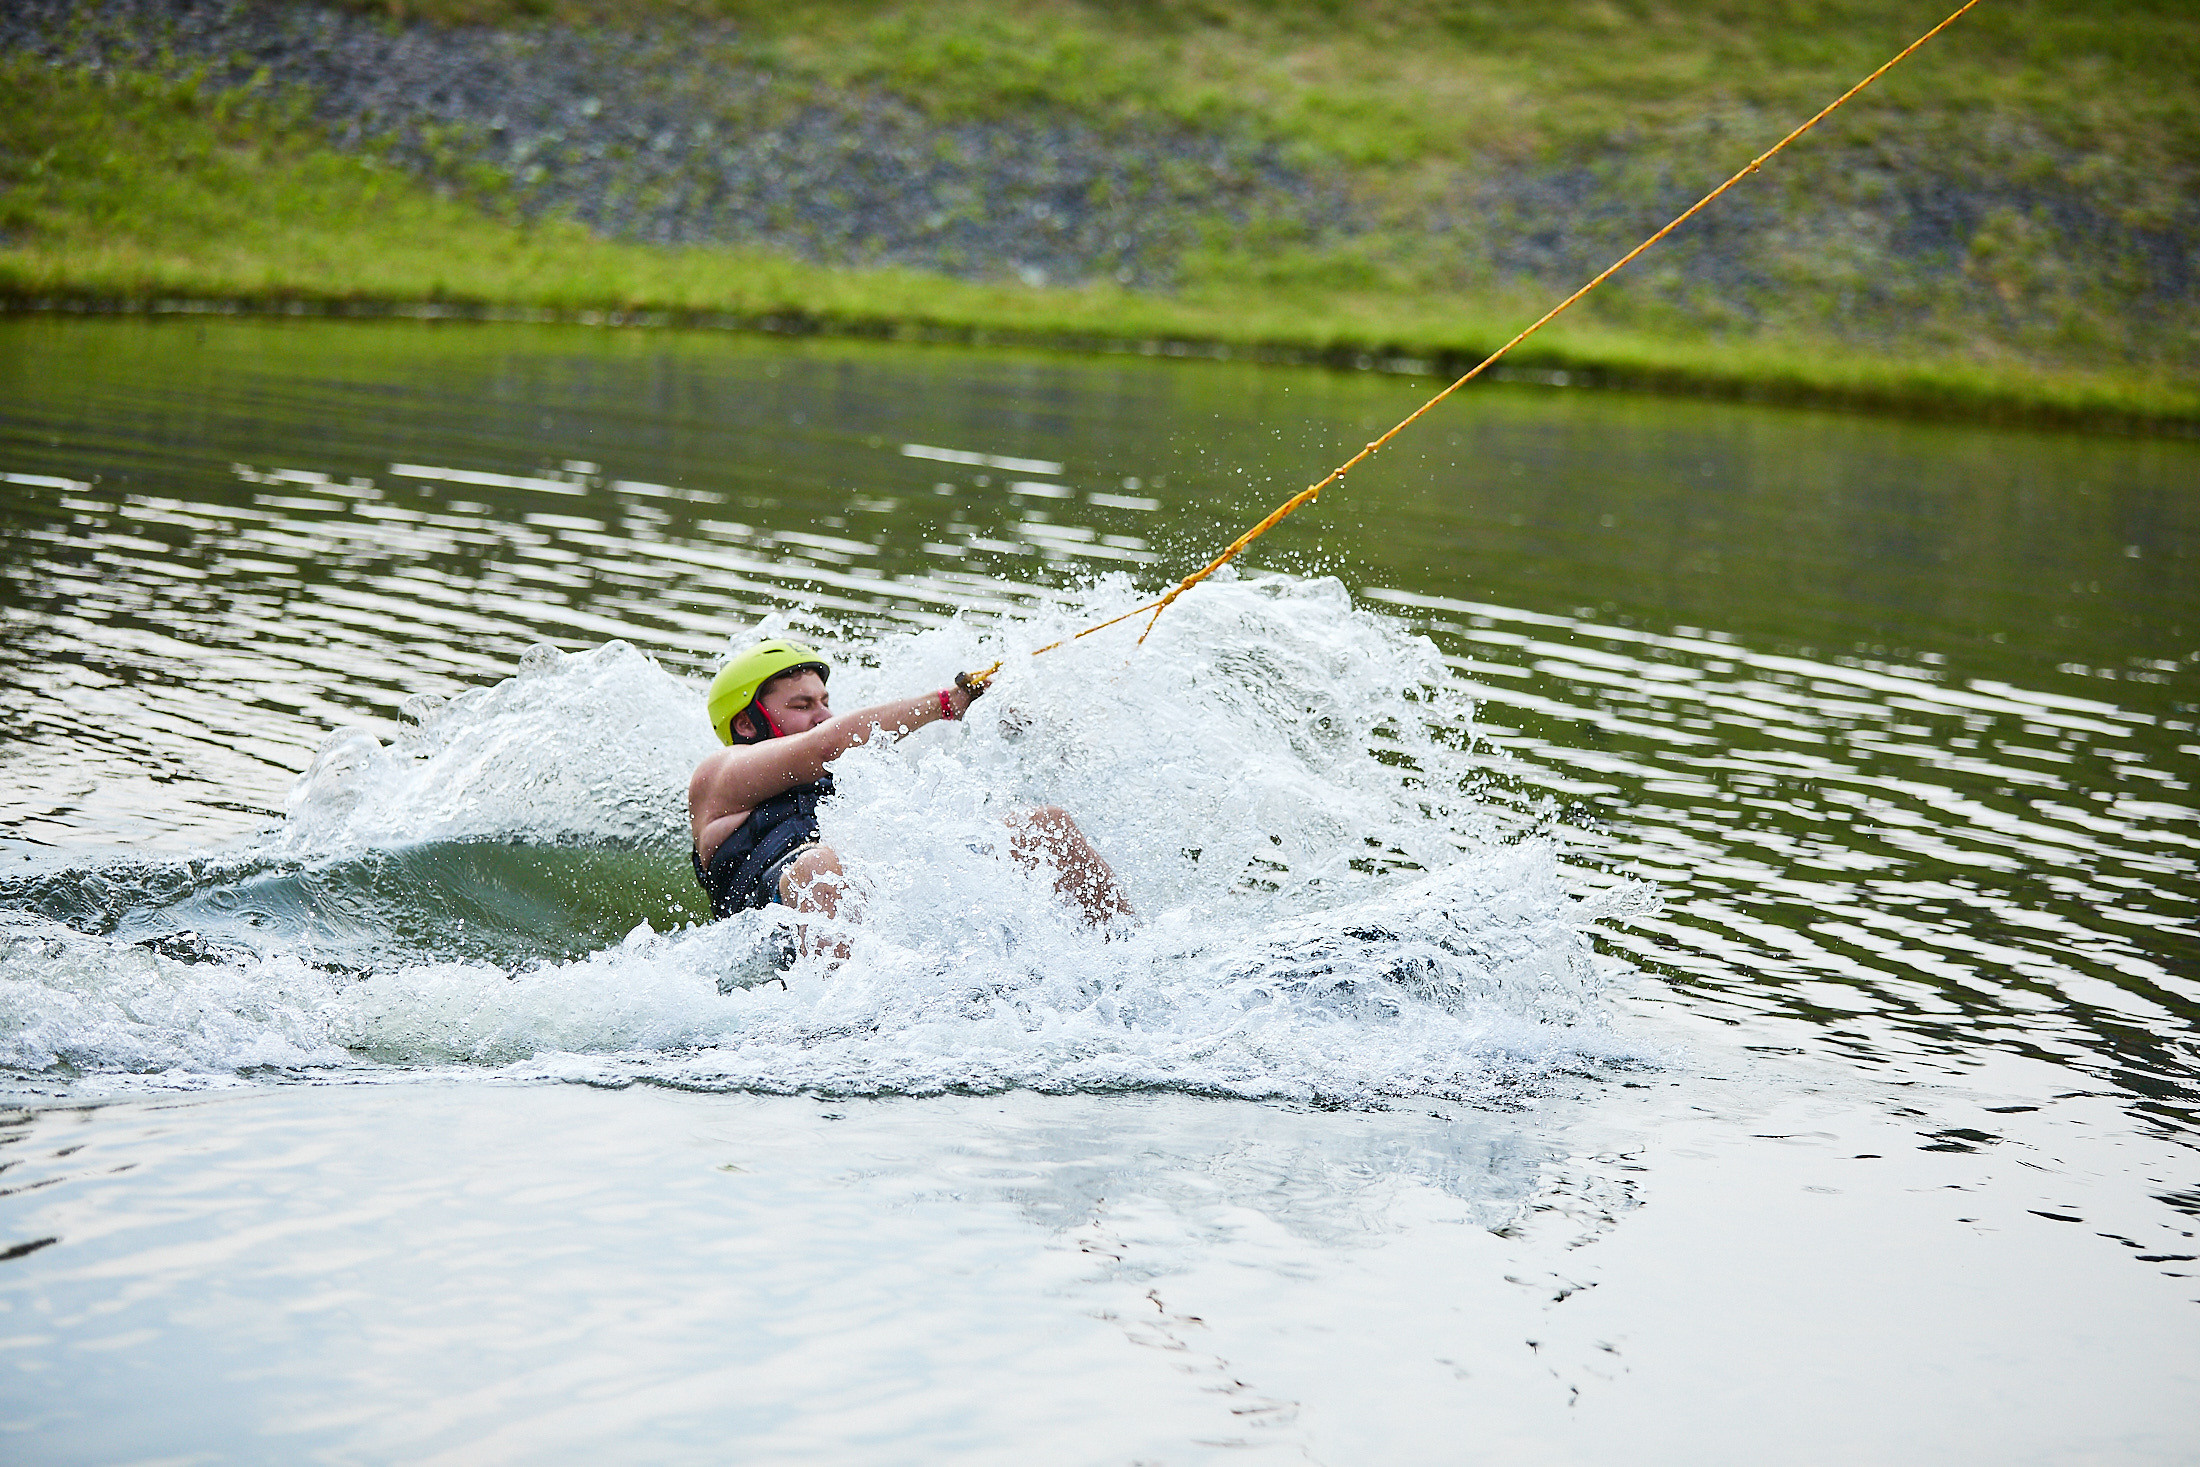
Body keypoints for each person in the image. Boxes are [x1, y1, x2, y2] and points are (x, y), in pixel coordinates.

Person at [688, 640, 1132, 948]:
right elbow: (824, 746)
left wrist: (1003, 714)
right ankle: (844, 1033)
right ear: (747, 724)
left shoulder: (850, 777)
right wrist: (945, 703)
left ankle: (1132, 961)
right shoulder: (719, 776)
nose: (823, 716)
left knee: (1046, 827)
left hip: (873, 911)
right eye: (802, 706)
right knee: (820, 867)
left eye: (825, 702)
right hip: (777, 934)